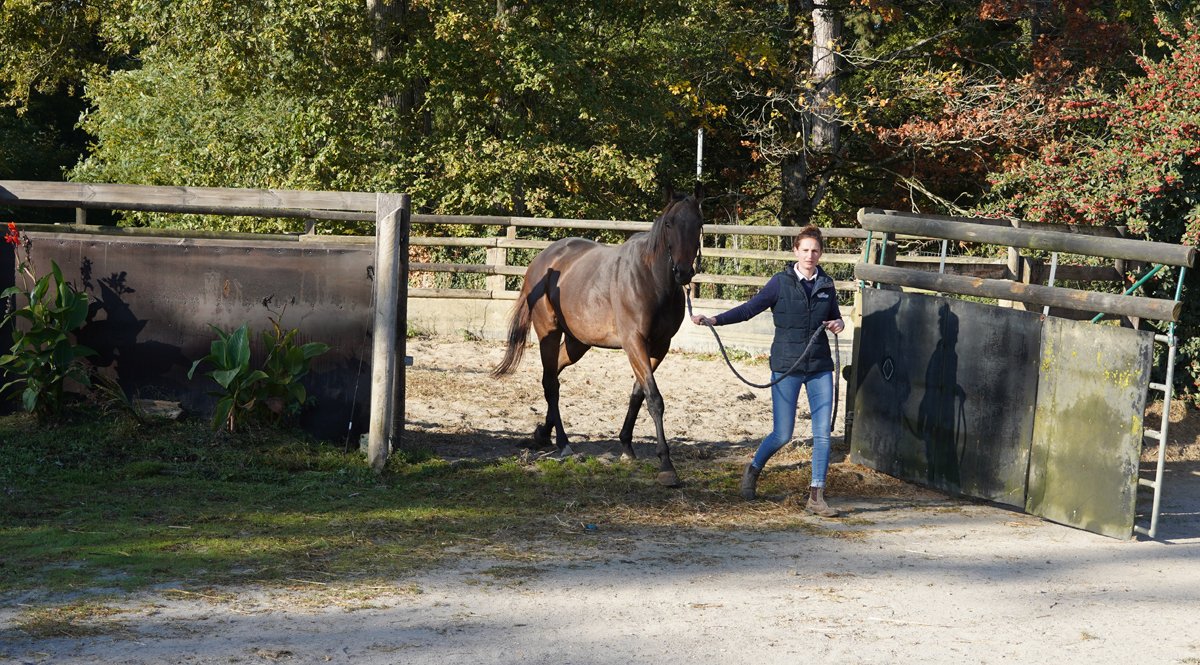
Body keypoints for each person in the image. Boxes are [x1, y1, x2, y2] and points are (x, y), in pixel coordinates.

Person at [691, 224, 845, 517]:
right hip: (786, 366)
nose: (810, 255)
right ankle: (753, 469)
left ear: (821, 253)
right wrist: (714, 320)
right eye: (805, 250)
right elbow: (749, 309)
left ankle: (816, 496)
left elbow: (835, 317)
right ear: (795, 251)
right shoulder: (780, 282)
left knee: (822, 434)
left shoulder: (827, 284)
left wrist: (839, 324)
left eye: (815, 250)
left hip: (820, 367)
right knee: (782, 433)